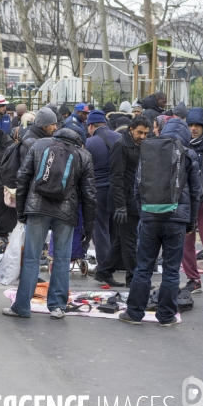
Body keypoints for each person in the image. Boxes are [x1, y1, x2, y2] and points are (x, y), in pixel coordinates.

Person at [4, 127, 96, 319]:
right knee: (62, 259)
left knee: (31, 258)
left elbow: (22, 177)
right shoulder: (84, 155)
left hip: (37, 210)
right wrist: (88, 227)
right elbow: (89, 195)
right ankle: (57, 307)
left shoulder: (39, 145)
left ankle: (21, 307)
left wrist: (21, 211)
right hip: (66, 212)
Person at [120, 120, 200, 327]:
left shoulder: (148, 152)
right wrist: (190, 222)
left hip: (150, 218)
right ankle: (166, 316)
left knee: (143, 268)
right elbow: (195, 194)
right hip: (177, 221)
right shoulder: (188, 155)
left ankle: (134, 313)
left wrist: (144, 213)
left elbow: (137, 189)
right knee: (172, 271)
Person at [98, 116, 151, 287]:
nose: (142, 136)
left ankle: (104, 271)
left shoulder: (140, 145)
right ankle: (133, 279)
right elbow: (116, 178)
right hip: (123, 201)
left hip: (133, 199)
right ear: (131, 130)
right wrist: (120, 206)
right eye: (139, 133)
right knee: (129, 240)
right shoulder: (120, 146)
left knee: (123, 239)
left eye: (146, 133)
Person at [85, 110, 121, 282]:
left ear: (91, 126)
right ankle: (115, 263)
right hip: (119, 191)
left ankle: (104, 267)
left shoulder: (90, 142)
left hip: (99, 190)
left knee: (100, 229)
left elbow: (85, 169)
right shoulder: (120, 138)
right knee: (115, 228)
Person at [180, 108, 203, 294]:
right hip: (185, 199)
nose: (193, 128)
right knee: (185, 242)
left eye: (197, 125)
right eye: (190, 125)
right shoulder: (181, 144)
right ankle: (193, 279)